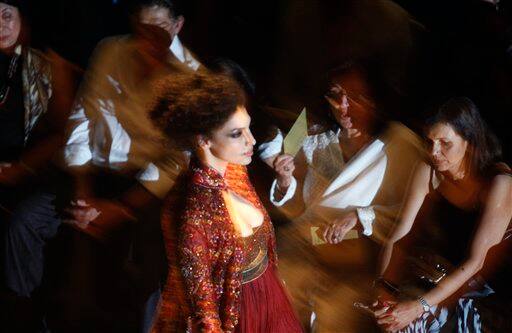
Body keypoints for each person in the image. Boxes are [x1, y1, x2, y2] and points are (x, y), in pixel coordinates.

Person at [259, 63, 422, 331]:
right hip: (308, 245)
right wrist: (285, 181)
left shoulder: (400, 144)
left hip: (360, 264)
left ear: (376, 99)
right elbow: (298, 205)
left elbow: (411, 215)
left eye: (355, 97)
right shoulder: (314, 133)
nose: (343, 106)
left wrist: (360, 217)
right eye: (336, 95)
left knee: (336, 318)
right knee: (273, 295)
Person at [149, 72, 303, 332]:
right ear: (202, 140)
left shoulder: (235, 171)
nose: (251, 140)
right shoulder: (192, 213)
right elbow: (204, 313)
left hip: (271, 300)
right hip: (241, 318)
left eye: (248, 128)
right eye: (236, 134)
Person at [375, 97, 512, 332]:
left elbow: (475, 263)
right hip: (442, 276)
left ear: (469, 142)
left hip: (487, 290)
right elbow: (401, 236)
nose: (434, 151)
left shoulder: (499, 183)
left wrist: (420, 307)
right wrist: (385, 289)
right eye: (430, 141)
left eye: (445, 143)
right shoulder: (429, 171)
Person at [0, 0, 78, 330]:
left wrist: (20, 169)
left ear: (24, 20)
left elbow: (63, 134)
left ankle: (25, 314)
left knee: (23, 223)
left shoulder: (47, 66)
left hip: (42, 176)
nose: (0, 25)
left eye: (6, 15)